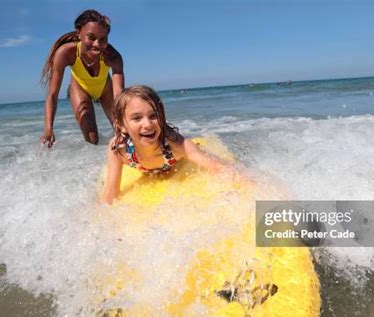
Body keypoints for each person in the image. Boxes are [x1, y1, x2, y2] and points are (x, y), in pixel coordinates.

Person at [101, 85, 241, 205]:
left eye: (153, 116)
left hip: (176, 163)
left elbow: (221, 168)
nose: (148, 124)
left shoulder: (175, 145)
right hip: (147, 169)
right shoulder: (119, 150)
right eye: (137, 118)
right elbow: (111, 193)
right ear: (122, 126)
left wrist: (258, 195)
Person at [40, 9, 124, 147]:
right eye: (91, 37)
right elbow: (52, 94)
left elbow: (120, 95)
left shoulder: (113, 57)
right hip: (80, 88)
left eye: (103, 39)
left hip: (105, 89)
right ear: (79, 33)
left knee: (121, 128)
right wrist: (48, 128)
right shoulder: (65, 53)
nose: (97, 44)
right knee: (92, 139)